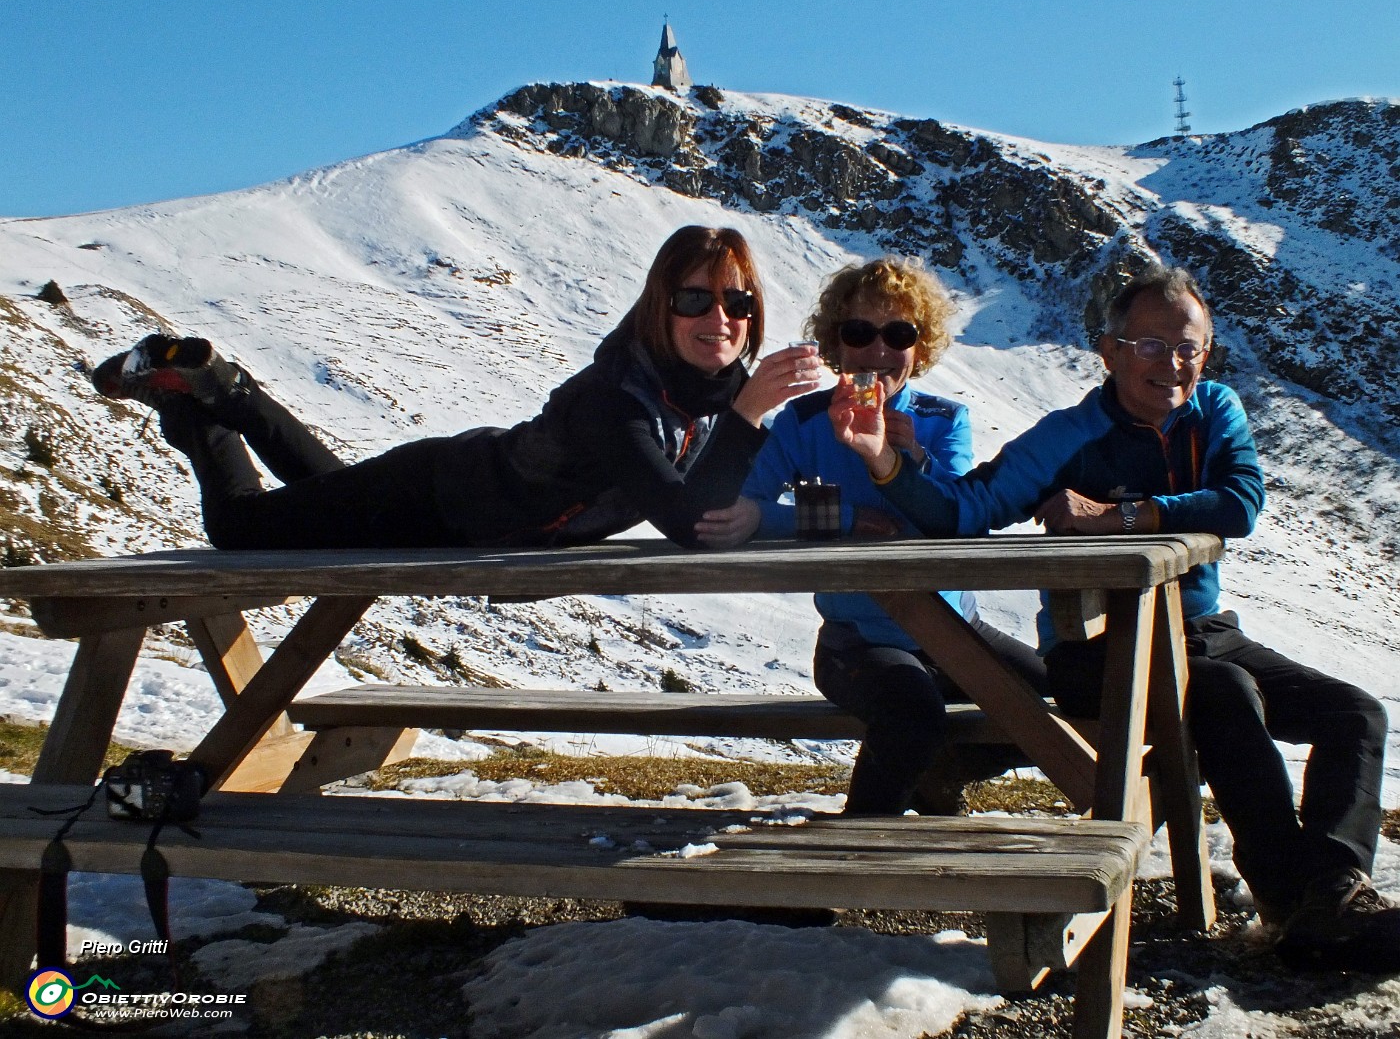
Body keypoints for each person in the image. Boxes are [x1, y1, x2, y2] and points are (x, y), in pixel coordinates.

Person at [832, 263, 1398, 970]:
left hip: (1203, 632)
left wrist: (1123, 515)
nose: (1174, 364)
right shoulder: (1068, 435)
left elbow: (1240, 501)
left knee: (1355, 714)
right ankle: (1299, 904)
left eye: (1189, 347)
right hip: (1098, 650)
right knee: (1224, 694)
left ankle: (1333, 891)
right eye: (1152, 346)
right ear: (1111, 351)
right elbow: (965, 510)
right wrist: (888, 466)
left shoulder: (1216, 409)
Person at [91, 226, 822, 550]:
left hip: (450, 509)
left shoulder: (709, 391)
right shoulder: (615, 399)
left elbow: (728, 508)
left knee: (328, 497)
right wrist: (751, 411)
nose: (719, 318)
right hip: (436, 499)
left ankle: (224, 390)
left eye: (737, 302)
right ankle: (197, 403)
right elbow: (691, 525)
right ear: (659, 308)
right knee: (242, 529)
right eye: (694, 299)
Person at [697, 258, 1045, 815]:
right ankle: (849, 861)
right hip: (857, 639)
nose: (878, 352)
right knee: (913, 717)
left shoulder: (940, 421)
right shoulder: (803, 422)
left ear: (920, 346)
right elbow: (749, 510)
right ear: (837, 342)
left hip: (957, 630)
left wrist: (912, 464)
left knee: (1063, 703)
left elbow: (959, 518)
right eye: (859, 333)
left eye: (898, 334)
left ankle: (937, 775)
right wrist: (843, 521)